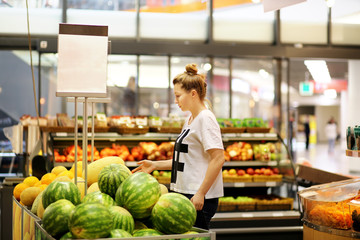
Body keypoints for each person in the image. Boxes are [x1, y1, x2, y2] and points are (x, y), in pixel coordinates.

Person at [132, 63, 225, 230]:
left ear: (194, 94)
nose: (176, 101)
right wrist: (155, 165)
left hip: (197, 198)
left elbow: (218, 159)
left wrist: (200, 193)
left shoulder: (206, 119)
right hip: (185, 193)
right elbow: (185, 159)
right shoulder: (190, 119)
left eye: (178, 96)